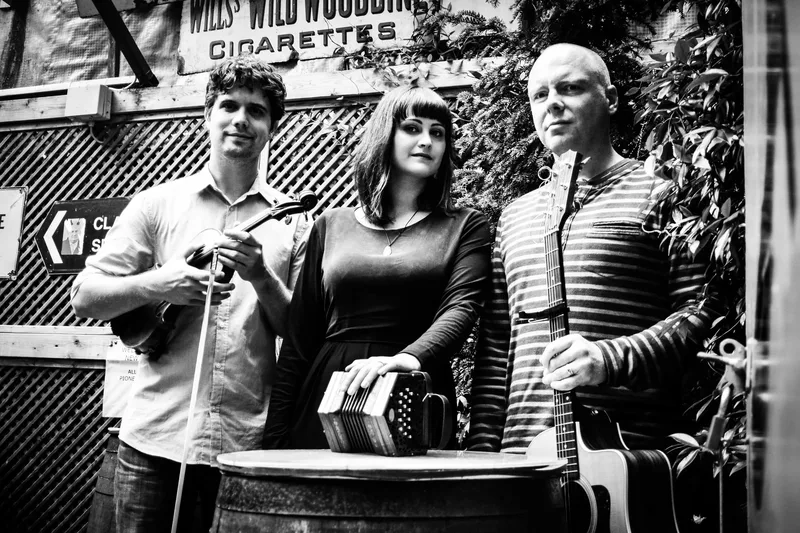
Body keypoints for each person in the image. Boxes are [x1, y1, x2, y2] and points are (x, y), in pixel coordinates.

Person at [70, 55, 309, 532]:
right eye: (229, 106)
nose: (241, 119)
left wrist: (262, 276)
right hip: (156, 438)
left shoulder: (293, 221)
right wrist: (160, 284)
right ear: (207, 115)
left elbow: (302, 333)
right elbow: (85, 296)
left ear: (271, 128)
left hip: (246, 442)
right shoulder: (157, 204)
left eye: (257, 111)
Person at [467, 43, 718, 454]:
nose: (553, 104)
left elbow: (701, 311)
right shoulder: (514, 216)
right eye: (540, 95)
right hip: (520, 460)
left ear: (611, 99)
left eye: (570, 88)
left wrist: (608, 360)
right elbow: (496, 346)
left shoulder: (665, 191)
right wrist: (483, 452)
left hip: (626, 461)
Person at [262, 85, 492, 450]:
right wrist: (273, 442)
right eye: (412, 128)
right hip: (328, 394)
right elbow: (299, 339)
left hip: (415, 393)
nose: (427, 141)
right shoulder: (330, 225)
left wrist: (408, 359)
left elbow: (462, 308)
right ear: (386, 135)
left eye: (438, 133)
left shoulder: (466, 225)